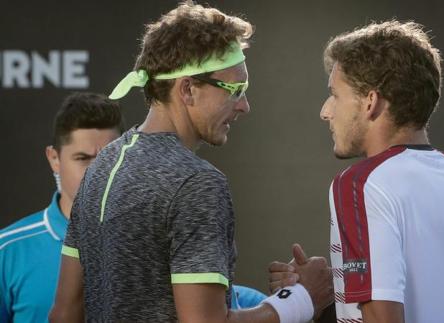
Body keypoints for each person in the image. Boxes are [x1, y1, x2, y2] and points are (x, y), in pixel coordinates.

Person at [49, 2, 332, 323]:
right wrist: (301, 298)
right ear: (187, 89)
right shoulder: (196, 182)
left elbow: (64, 313)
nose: (245, 106)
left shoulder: (101, 166)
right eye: (235, 89)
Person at [270, 20, 444, 323]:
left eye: (335, 94)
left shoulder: (360, 184)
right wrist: (323, 299)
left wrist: (297, 304)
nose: (325, 111)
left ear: (370, 102)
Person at [0, 92, 123, 322]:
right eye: (83, 159)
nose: (98, 173)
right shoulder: (6, 252)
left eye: (109, 158)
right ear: (54, 158)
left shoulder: (152, 242)